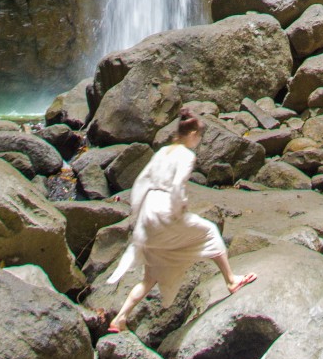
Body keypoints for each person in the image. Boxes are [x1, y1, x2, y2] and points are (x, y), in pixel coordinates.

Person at [107, 108, 256, 331]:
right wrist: (180, 210)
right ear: (193, 133)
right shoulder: (187, 155)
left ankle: (120, 318)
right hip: (166, 211)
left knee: (149, 278)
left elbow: (141, 182)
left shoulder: (163, 152)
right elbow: (177, 186)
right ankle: (231, 280)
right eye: (199, 136)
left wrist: (138, 215)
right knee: (209, 231)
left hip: (148, 214)